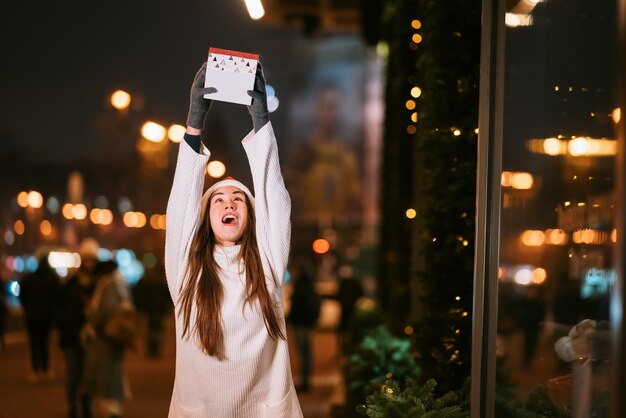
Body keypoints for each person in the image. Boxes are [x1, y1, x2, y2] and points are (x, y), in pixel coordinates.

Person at [164, 61, 302, 417]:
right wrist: (194, 121)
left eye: (238, 199)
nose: (229, 204)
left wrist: (261, 120)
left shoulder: (267, 262)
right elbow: (180, 208)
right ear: (206, 219)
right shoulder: (186, 271)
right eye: (219, 200)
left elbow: (275, 200)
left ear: (251, 217)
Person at [82, 260, 133, 418]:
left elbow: (106, 309)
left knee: (107, 372)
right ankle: (112, 406)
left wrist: (92, 326)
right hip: (117, 334)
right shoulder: (121, 282)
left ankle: (110, 409)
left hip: (107, 336)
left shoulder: (109, 284)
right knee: (112, 370)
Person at [56, 238, 99, 418]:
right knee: (73, 372)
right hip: (72, 335)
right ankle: (72, 405)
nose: (89, 263)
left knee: (88, 373)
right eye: (86, 258)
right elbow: (60, 307)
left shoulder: (100, 282)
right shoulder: (72, 282)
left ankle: (87, 405)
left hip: (91, 337)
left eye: (92, 259)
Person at [18, 251, 60, 382]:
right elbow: (57, 297)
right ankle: (46, 368)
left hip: (32, 316)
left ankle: (34, 370)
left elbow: (22, 295)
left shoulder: (29, 278)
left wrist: (28, 308)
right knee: (45, 342)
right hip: (47, 316)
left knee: (33, 343)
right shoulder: (52, 278)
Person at [287, 260, 320, 392]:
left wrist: (290, 319)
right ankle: (306, 380)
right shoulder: (309, 286)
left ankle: (305, 381)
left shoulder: (300, 287)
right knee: (306, 353)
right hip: (306, 324)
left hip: (301, 324)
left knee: (303, 353)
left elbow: (296, 308)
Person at [133, 264, 171, 358]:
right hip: (159, 310)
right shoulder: (163, 283)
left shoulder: (147, 281)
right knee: (157, 330)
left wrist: (142, 307)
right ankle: (155, 350)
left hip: (151, 310)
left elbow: (140, 295)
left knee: (152, 330)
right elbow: (168, 297)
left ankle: (152, 350)